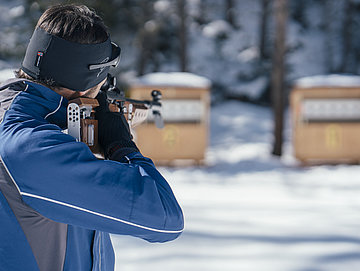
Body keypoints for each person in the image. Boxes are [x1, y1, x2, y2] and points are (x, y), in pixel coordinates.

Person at [0, 4, 184, 271]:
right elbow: (166, 219)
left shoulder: (17, 116)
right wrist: (122, 146)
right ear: (90, 82)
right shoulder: (31, 147)